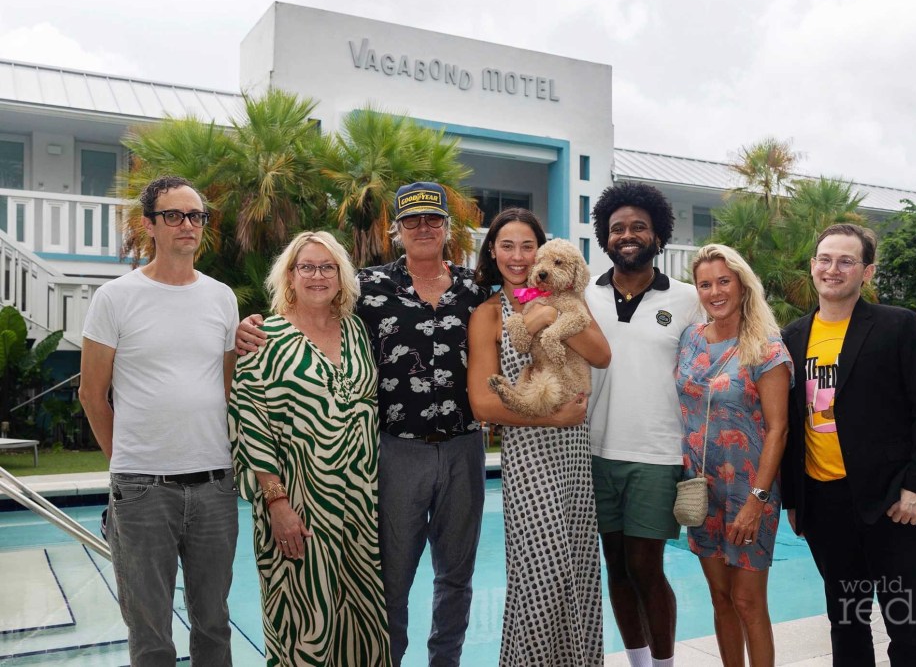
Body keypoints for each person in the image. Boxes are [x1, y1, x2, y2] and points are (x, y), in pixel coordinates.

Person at [235, 182, 489, 666]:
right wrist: (247, 329)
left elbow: (524, 296)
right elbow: (303, 316)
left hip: (464, 448)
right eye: (411, 221)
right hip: (397, 453)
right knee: (390, 579)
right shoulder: (369, 290)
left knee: (456, 578)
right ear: (396, 231)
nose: (423, 228)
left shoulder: (475, 288)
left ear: (448, 229)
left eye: (433, 220)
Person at [79, 176, 239, 666]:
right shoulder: (115, 298)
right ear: (150, 224)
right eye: (174, 215)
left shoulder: (221, 298)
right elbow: (92, 393)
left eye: (195, 216)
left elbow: (229, 390)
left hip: (214, 486)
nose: (187, 225)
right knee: (150, 633)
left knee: (213, 623)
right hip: (142, 490)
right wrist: (126, 462)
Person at [781, 224, 916, 666]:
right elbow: (788, 425)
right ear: (813, 265)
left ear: (867, 272)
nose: (832, 269)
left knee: (907, 625)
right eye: (825, 259)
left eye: (846, 261)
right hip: (826, 504)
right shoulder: (791, 337)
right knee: (846, 622)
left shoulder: (898, 326)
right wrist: (794, 500)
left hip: (895, 504)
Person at [229, 231, 390, 666]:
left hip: (359, 506)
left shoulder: (357, 331)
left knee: (361, 622)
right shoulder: (265, 337)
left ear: (342, 276)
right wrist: (276, 503)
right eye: (307, 267)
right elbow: (250, 424)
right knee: (304, 620)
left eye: (327, 267)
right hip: (297, 504)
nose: (317, 275)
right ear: (290, 276)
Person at [466, 208, 610, 666]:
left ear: (542, 252)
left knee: (581, 571)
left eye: (528, 246)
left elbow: (602, 355)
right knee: (540, 575)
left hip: (573, 455)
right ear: (493, 251)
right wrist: (551, 420)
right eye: (506, 245)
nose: (518, 255)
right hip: (529, 454)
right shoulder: (488, 315)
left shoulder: (568, 303)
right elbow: (484, 406)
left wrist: (547, 316)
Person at [587, 181, 704, 667]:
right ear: (604, 237)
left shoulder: (689, 299)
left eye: (639, 227)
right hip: (593, 451)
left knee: (645, 566)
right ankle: (636, 662)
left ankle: (663, 664)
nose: (627, 235)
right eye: (617, 228)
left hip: (657, 454)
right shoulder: (583, 296)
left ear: (658, 235)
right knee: (615, 565)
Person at [675, 244, 792, 667]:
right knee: (720, 598)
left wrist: (756, 502)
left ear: (743, 285)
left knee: (747, 602)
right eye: (705, 284)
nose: (714, 291)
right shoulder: (690, 339)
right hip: (701, 491)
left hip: (749, 491)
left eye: (724, 281)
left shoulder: (766, 348)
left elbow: (779, 429)